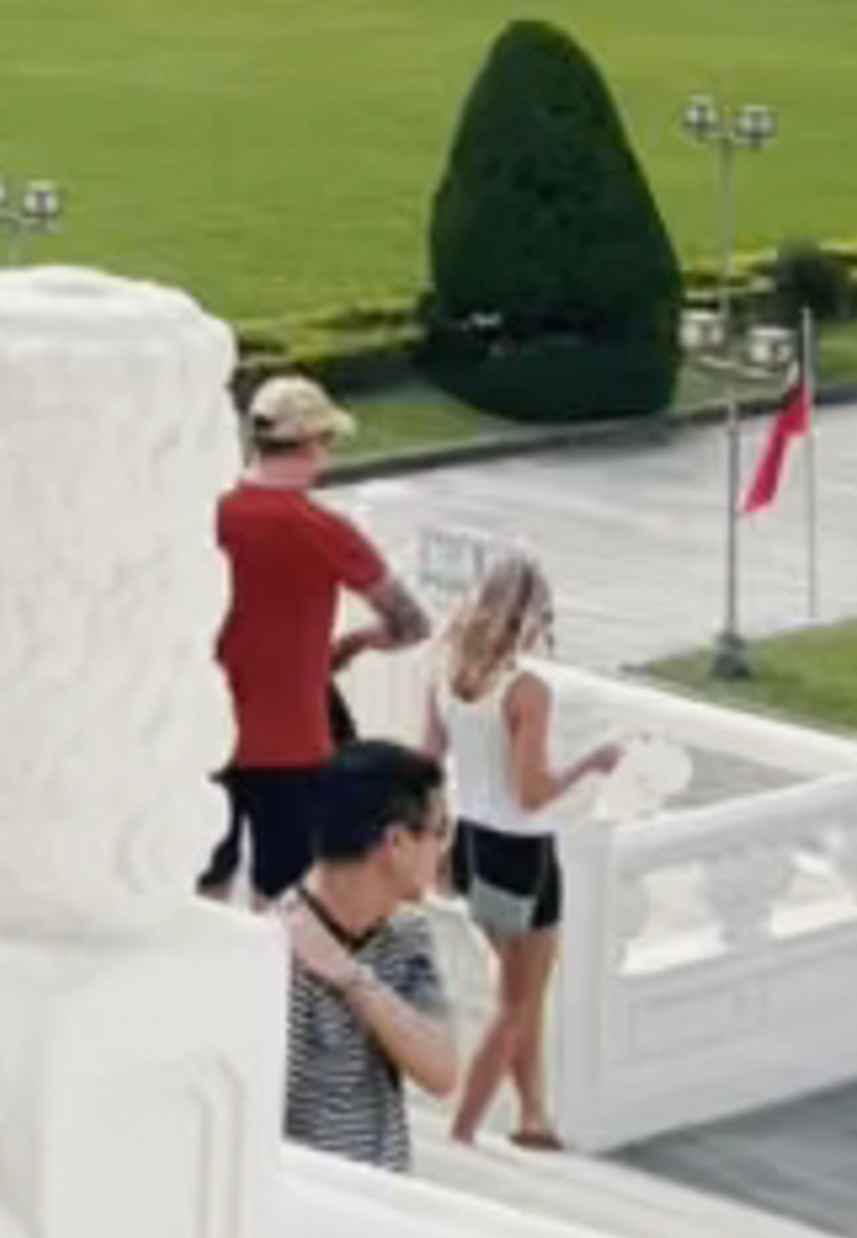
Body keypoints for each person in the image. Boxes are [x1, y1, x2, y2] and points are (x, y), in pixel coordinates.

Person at [427, 548, 625, 1153]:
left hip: (470, 844)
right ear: (533, 616)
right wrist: (591, 764)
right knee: (516, 1002)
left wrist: (437, 844)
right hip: (523, 854)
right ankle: (461, 1131)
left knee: (519, 992)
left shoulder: (445, 674)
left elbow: (428, 764)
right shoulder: (527, 690)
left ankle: (533, 1117)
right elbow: (532, 792)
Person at [209, 373, 429, 902]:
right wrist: (352, 646)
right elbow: (411, 623)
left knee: (205, 886)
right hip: (290, 741)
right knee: (283, 897)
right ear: (313, 443)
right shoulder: (324, 532)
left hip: (206, 728)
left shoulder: (209, 515)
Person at [279, 743, 465, 1171]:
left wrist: (351, 980)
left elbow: (442, 1071)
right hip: (317, 1206)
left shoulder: (407, 937)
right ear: (396, 842)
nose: (443, 850)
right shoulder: (273, 951)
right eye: (440, 831)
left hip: (388, 1196)